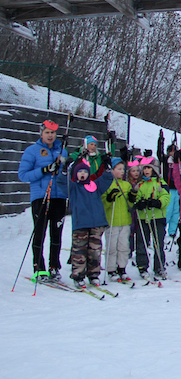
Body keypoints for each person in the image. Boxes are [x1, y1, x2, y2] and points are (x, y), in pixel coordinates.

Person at [18, 119, 69, 282]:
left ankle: (54, 267)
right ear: (41, 133)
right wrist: (44, 170)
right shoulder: (32, 151)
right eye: (47, 132)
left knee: (57, 233)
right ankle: (39, 267)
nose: (50, 135)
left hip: (59, 197)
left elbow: (66, 174)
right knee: (40, 232)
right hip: (41, 196)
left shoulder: (63, 151)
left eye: (53, 132)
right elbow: (23, 175)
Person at [67, 156, 114, 286]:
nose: (83, 174)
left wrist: (107, 169)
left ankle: (93, 274)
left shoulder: (94, 186)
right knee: (79, 251)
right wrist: (64, 170)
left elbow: (106, 179)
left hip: (96, 223)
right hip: (81, 224)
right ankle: (78, 275)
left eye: (85, 172)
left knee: (94, 251)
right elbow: (61, 183)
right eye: (80, 172)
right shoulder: (74, 188)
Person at [131, 156, 171, 280]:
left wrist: (158, 202)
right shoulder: (140, 184)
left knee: (158, 242)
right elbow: (134, 197)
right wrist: (138, 203)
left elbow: (166, 196)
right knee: (142, 242)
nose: (146, 171)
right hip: (143, 218)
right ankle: (142, 266)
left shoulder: (160, 182)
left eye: (149, 168)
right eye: (144, 168)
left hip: (157, 217)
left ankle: (159, 266)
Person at [102, 158, 133, 282]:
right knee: (112, 246)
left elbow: (130, 203)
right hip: (112, 220)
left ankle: (122, 267)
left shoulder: (126, 184)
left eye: (123, 169)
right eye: (119, 169)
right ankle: (111, 269)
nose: (122, 171)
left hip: (125, 220)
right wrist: (109, 198)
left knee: (124, 246)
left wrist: (133, 197)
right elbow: (103, 202)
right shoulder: (107, 184)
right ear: (112, 170)